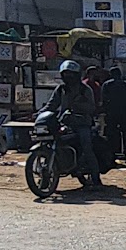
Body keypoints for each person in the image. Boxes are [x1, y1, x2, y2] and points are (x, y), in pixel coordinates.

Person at [48, 59, 102, 189]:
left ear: (77, 75)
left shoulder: (85, 90)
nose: (68, 77)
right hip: (65, 122)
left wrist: (77, 107)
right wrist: (39, 114)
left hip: (83, 123)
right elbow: (51, 105)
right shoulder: (61, 89)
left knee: (87, 147)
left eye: (71, 74)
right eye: (66, 74)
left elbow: (91, 107)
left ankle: (96, 180)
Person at [100, 65, 126, 165]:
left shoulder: (107, 85)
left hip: (111, 112)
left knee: (111, 135)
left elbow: (103, 100)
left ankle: (112, 156)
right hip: (124, 112)